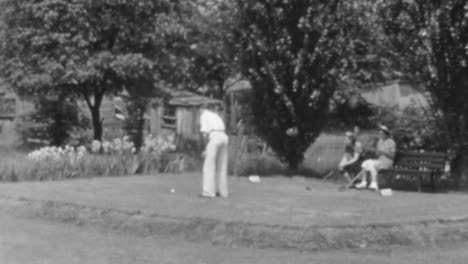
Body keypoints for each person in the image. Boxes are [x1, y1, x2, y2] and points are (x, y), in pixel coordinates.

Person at [199, 103, 229, 198]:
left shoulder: (204, 115)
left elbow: (204, 134)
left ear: (201, 109)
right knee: (222, 166)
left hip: (214, 136)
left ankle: (208, 192)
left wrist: (205, 148)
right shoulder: (215, 115)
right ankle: (223, 192)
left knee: (209, 166)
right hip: (224, 136)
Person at [355, 125, 396, 191]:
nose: (380, 135)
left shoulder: (391, 142)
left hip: (387, 162)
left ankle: (374, 184)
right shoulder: (379, 142)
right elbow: (377, 154)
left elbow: (392, 156)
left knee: (372, 164)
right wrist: (376, 153)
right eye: (379, 133)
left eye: (381, 133)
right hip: (379, 161)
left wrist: (383, 152)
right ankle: (364, 182)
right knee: (365, 163)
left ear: (386, 134)